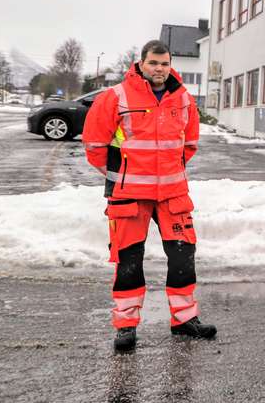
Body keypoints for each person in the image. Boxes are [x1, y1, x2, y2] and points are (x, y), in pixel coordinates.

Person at [82, 40, 216, 352]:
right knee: (129, 259)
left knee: (183, 256)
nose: (159, 69)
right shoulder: (115, 96)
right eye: (153, 63)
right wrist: (121, 175)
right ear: (141, 63)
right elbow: (94, 145)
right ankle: (126, 326)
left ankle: (184, 320)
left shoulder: (182, 98)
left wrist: (169, 170)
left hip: (172, 194)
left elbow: (190, 143)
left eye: (165, 63)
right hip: (129, 195)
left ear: (171, 65)